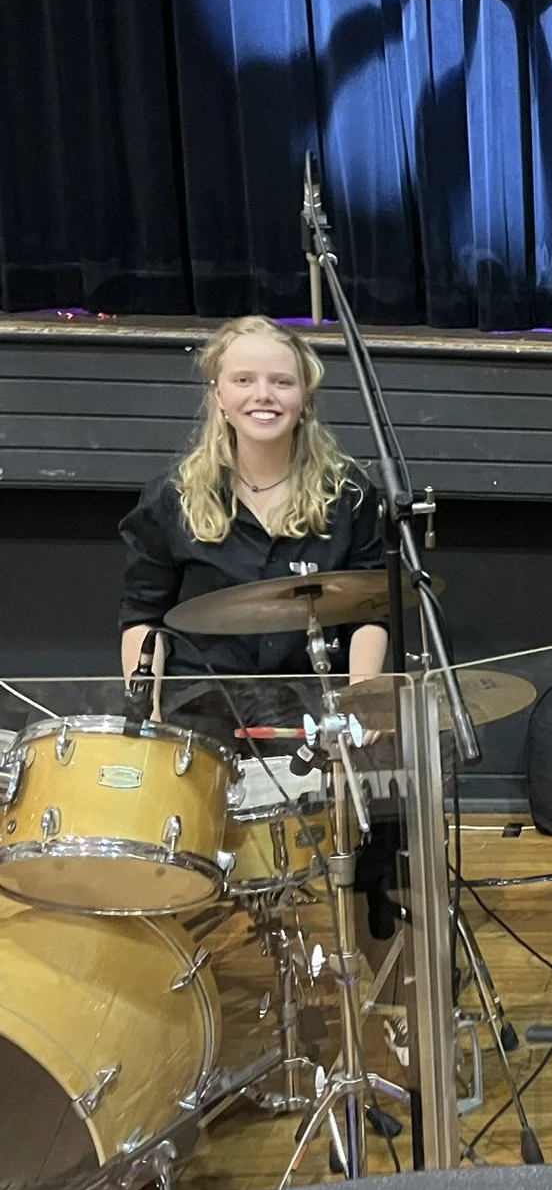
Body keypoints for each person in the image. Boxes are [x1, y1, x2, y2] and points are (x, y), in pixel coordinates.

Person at [117, 315, 398, 925]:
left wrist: (364, 698)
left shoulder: (350, 493)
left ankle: (373, 923)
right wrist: (152, 709)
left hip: (308, 696)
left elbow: (372, 610)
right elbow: (143, 617)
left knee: (390, 768)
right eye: (243, 380)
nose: (262, 396)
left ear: (305, 396)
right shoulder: (172, 496)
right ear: (218, 394)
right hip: (204, 699)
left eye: (281, 382)